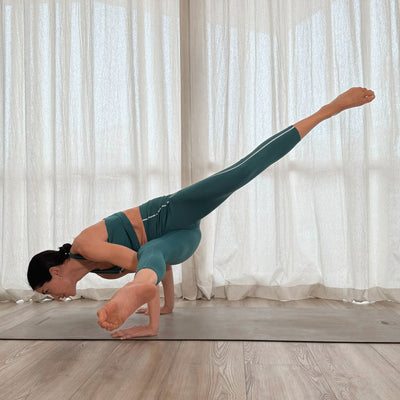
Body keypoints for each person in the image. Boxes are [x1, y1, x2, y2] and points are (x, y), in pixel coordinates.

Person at [27, 87, 375, 339]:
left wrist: (145, 290)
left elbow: (145, 263)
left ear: (55, 271)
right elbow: (158, 262)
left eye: (46, 290)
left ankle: (329, 109)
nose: (53, 297)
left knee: (242, 171)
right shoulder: (104, 274)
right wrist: (161, 313)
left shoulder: (86, 245)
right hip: (184, 236)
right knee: (154, 254)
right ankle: (141, 307)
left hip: (172, 211)